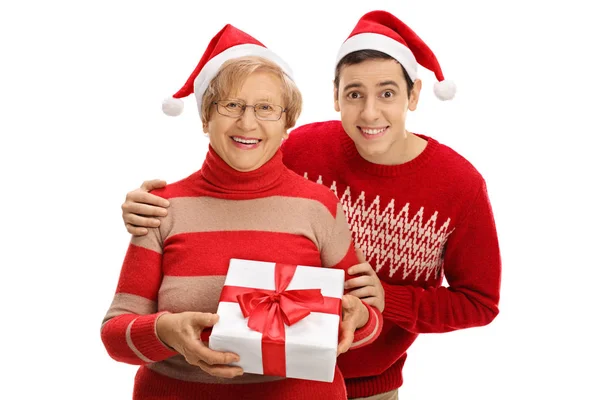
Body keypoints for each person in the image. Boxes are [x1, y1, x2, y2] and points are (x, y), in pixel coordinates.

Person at [120, 10, 501, 400]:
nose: (370, 112)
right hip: (266, 376)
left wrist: (387, 300)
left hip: (366, 380)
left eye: (387, 93)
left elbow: (479, 302)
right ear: (335, 96)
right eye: (354, 94)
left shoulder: (459, 185)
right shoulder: (300, 149)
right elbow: (236, 174)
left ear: (414, 95)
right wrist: (149, 207)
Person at [101, 24, 383, 400]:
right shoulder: (161, 207)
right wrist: (164, 331)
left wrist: (359, 319)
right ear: (205, 118)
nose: (247, 123)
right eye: (231, 105)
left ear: (287, 123)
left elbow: (366, 316)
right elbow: (114, 334)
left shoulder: (319, 206)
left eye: (266, 108)